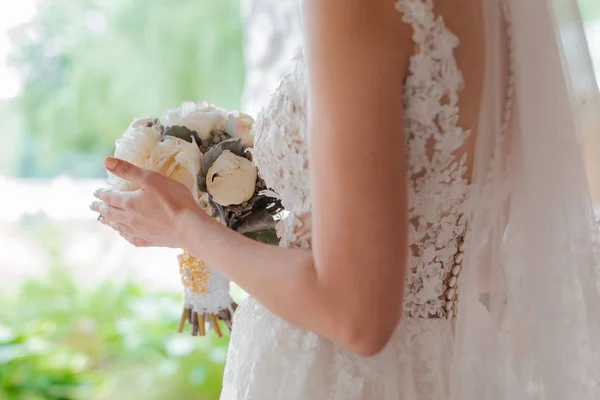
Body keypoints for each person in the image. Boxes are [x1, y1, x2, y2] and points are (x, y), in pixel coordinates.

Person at [91, 0, 600, 398]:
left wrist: (185, 227)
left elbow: (357, 316)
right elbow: (480, 258)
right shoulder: (503, 13)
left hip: (332, 374)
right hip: (446, 362)